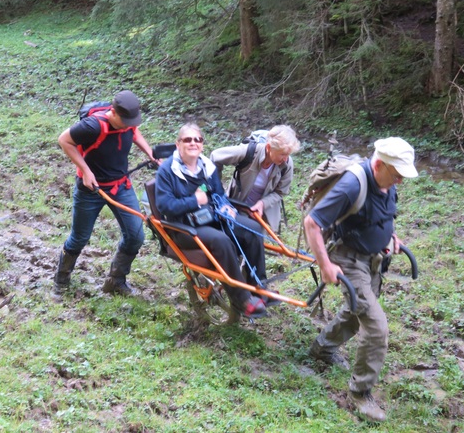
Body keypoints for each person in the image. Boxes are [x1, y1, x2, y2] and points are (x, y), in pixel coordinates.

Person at [303, 137, 418, 423]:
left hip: (373, 258)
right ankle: (359, 393)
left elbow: (379, 214)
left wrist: (389, 237)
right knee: (377, 327)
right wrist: (325, 264)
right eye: (396, 175)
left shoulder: (387, 182)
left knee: (357, 315)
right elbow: (312, 223)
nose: (399, 182)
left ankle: (322, 347)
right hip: (348, 259)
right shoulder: (352, 185)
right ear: (378, 164)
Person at [154, 123, 269, 317]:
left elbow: (218, 193)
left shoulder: (206, 166)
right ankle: (241, 300)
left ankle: (258, 285)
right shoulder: (167, 171)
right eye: (187, 140)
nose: (193, 143)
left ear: (202, 145)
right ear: (178, 144)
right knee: (221, 240)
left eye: (197, 140)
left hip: (211, 218)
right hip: (183, 227)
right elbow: (165, 206)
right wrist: (194, 201)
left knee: (251, 227)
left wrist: (226, 207)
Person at [55, 90, 157, 296]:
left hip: (120, 186)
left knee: (136, 235)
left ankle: (116, 280)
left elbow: (134, 131)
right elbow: (64, 140)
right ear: (114, 113)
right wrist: (85, 171)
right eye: (126, 121)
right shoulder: (93, 126)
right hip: (91, 190)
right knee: (79, 238)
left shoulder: (128, 122)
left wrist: (150, 153)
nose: (130, 125)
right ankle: (61, 280)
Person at [210, 126, 300, 233]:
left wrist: (263, 203)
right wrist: (218, 191)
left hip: (262, 214)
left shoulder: (286, 164)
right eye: (283, 154)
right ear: (268, 148)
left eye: (288, 155)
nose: (286, 159)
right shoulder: (249, 152)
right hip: (237, 205)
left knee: (255, 242)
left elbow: (280, 192)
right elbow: (215, 157)